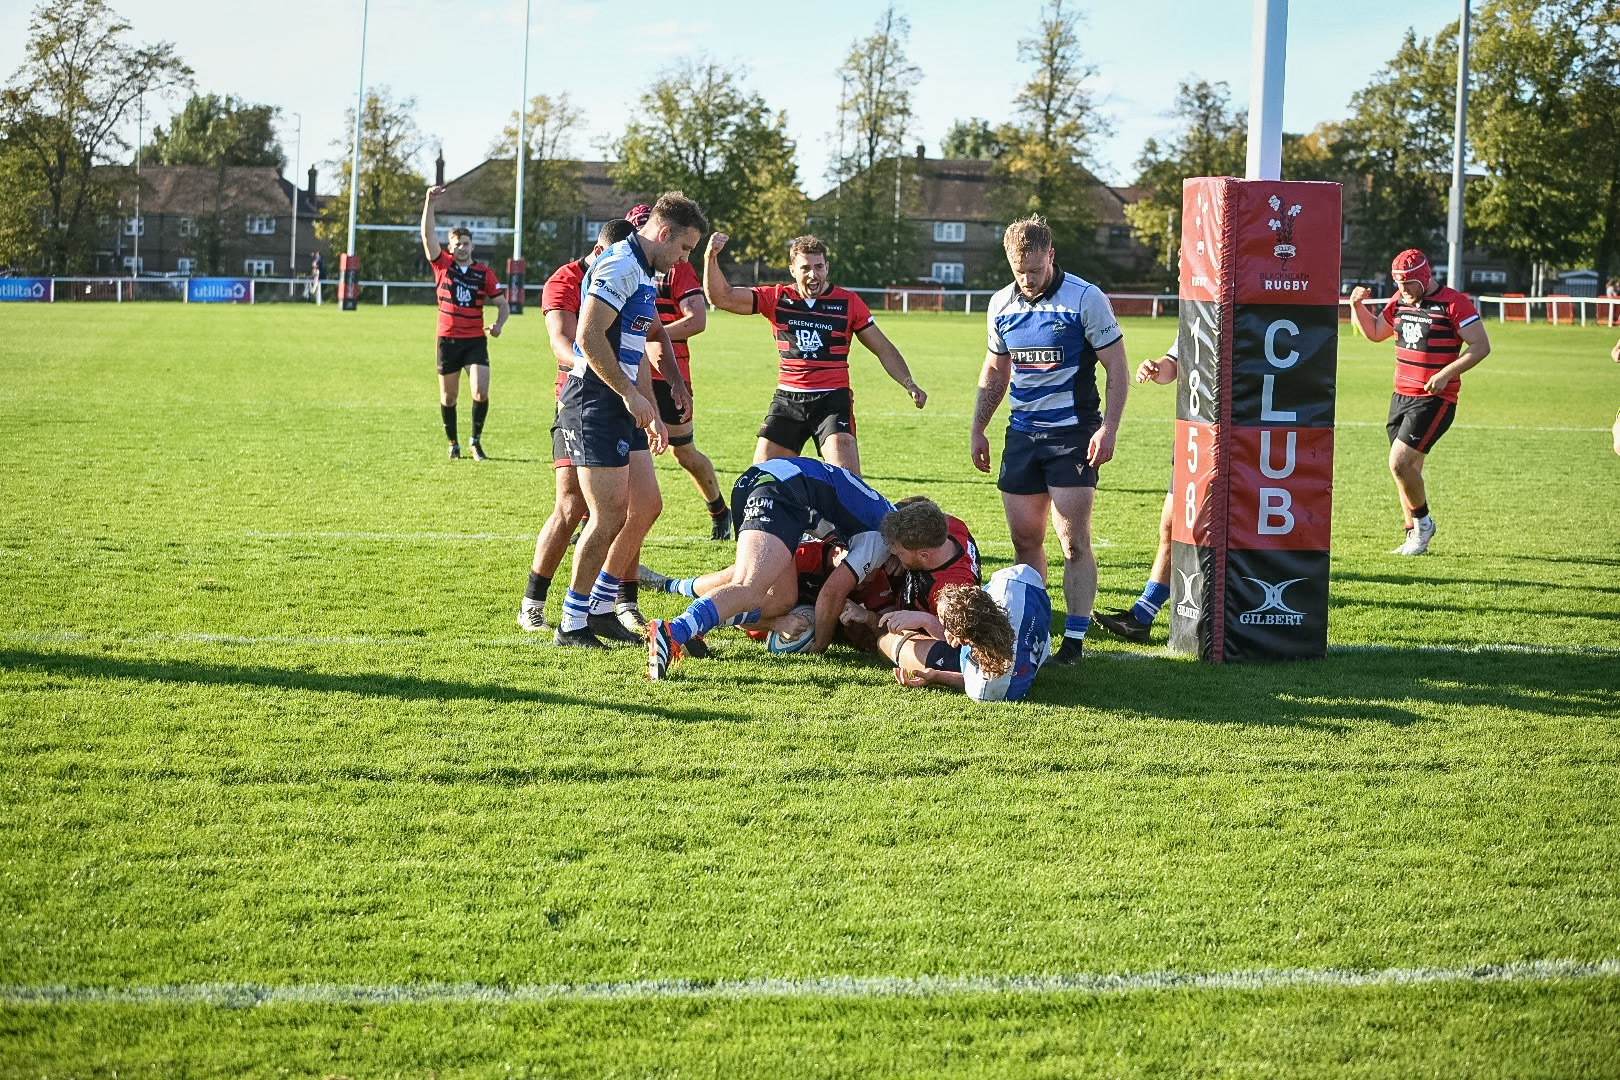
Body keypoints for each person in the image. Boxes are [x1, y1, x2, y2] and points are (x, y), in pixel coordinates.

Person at [970, 215, 1129, 667]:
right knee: (1025, 541)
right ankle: (1035, 630)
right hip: (1022, 435)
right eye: (1019, 270)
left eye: (1036, 270)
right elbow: (995, 371)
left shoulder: (1085, 298)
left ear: (1051, 256)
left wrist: (1109, 428)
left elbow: (1117, 367)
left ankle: (1074, 642)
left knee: (1073, 542)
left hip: (1073, 435)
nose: (1028, 278)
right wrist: (978, 428)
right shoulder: (1000, 304)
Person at [554, 191, 705, 649]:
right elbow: (588, 336)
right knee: (607, 516)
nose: (683, 260)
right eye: (684, 248)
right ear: (664, 232)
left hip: (622, 400)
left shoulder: (642, 270)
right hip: (595, 399)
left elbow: (646, 336)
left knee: (646, 505)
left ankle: (602, 608)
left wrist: (659, 399)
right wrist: (629, 395)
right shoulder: (621, 265)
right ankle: (572, 622)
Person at [647, 457, 894, 679]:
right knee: (749, 586)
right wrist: (820, 645)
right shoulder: (883, 537)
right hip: (780, 489)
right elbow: (831, 594)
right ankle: (674, 632)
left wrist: (776, 623)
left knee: (779, 600)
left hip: (767, 483)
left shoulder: (886, 517)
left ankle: (695, 626)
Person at [703, 232, 926, 476]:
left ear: (827, 267)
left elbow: (883, 347)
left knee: (847, 479)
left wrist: (909, 383)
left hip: (832, 400)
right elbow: (721, 297)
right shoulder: (777, 298)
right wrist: (710, 257)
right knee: (763, 477)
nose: (813, 274)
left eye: (819, 267)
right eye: (805, 268)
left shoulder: (848, 302)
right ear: (792, 270)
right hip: (788, 400)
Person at [518, 218, 638, 634]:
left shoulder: (631, 274)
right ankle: (533, 603)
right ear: (602, 252)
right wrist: (601, 372)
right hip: (580, 400)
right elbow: (562, 342)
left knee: (628, 507)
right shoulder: (566, 280)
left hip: (620, 399)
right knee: (572, 506)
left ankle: (608, 604)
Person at [1349, 249, 1491, 555]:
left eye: (1409, 283)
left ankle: (1423, 525)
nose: (1403, 289)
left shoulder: (1453, 303)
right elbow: (1375, 332)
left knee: (1399, 463)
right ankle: (1414, 535)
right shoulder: (1399, 301)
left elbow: (1481, 346)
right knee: (1406, 470)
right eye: (1398, 283)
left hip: (1434, 398)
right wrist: (1356, 306)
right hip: (1400, 396)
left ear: (1425, 277)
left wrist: (1446, 374)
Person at [624, 204, 731, 541]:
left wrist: (649, 334)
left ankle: (719, 509)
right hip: (627, 371)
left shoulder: (675, 267)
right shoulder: (622, 265)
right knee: (615, 446)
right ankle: (590, 518)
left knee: (683, 452)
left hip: (668, 374)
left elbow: (696, 320)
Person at [1093, 344, 1179, 645]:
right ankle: (1142, 617)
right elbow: (1174, 365)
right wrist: (1157, 367)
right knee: (1172, 527)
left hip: (1247, 438)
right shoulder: (1198, 318)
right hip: (1197, 438)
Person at [421, 185, 509, 461]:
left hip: (474, 340)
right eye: (457, 244)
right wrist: (429, 202)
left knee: (480, 392)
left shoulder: (484, 273)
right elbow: (427, 235)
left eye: (466, 244)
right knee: (449, 398)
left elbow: (503, 304)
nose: (461, 248)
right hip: (447, 340)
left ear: (472, 246)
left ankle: (475, 441)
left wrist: (499, 324)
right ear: (450, 247)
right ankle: (453, 443)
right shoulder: (442, 265)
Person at [889, 565, 1053, 703]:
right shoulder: (1016, 579)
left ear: (964, 640)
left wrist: (936, 676)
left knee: (888, 643)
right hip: (1034, 639)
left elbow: (976, 680)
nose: (945, 631)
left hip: (996, 671)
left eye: (946, 626)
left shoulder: (984, 690)